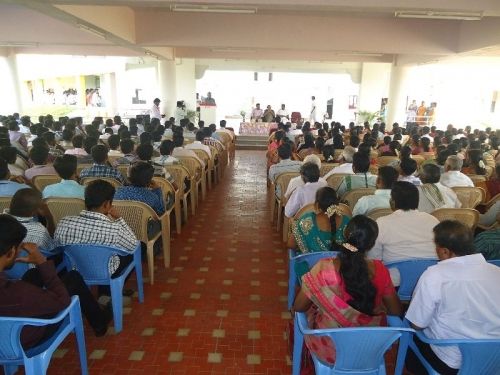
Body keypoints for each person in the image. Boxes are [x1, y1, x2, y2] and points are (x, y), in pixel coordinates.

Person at [293, 215, 402, 366]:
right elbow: (395, 310)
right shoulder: (380, 270)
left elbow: (298, 306)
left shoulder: (324, 269)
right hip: (370, 350)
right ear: (371, 245)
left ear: (345, 235)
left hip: (331, 349)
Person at [0, 215, 112, 348]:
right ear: (11, 252)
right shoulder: (17, 291)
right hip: (23, 339)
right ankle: (100, 324)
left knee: (33, 274)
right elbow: (62, 301)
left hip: (8, 326)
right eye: (19, 248)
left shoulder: (13, 288)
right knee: (73, 278)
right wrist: (42, 261)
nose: (20, 252)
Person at [405, 220, 500, 375]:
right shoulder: (496, 272)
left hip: (452, 363)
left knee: (409, 331)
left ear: (444, 251)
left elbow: (417, 325)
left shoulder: (434, 275)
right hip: (494, 361)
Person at [54, 180, 137, 281]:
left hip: (76, 270)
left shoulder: (64, 223)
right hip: (106, 273)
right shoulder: (114, 229)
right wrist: (119, 219)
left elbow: (57, 246)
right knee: (133, 252)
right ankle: (108, 291)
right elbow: (133, 246)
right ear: (106, 204)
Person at [368, 181, 439, 285]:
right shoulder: (432, 220)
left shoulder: (381, 223)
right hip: (432, 280)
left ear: (393, 202)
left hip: (396, 283)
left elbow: (374, 258)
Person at [288, 186, 349, 255]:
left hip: (312, 265)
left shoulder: (306, 221)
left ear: (317, 205)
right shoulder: (347, 222)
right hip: (341, 264)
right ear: (337, 204)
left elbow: (291, 244)